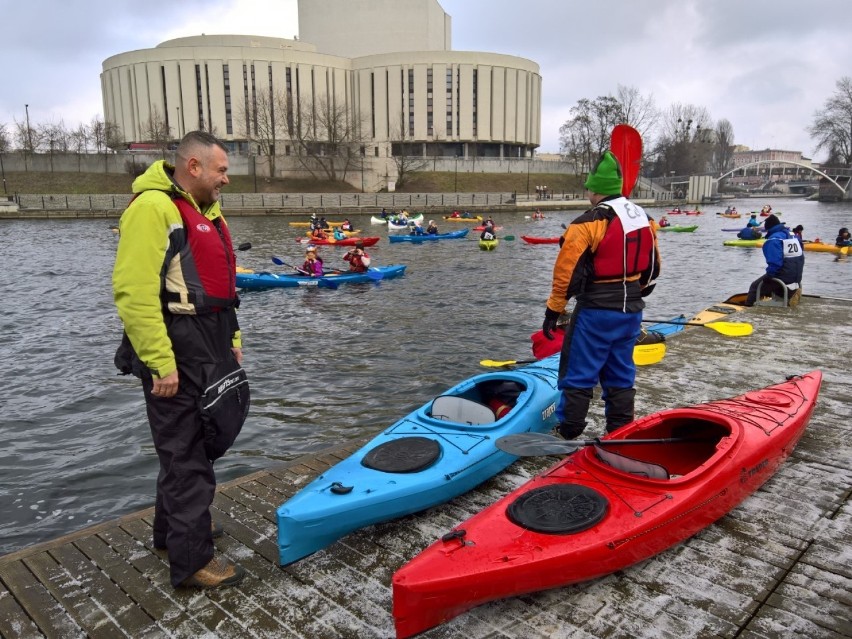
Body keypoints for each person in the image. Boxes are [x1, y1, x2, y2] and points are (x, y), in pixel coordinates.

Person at [112, 131, 248, 589]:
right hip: (175, 345)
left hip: (209, 341)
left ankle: (173, 533)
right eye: (221, 170)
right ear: (193, 166)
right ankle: (191, 562)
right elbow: (133, 293)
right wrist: (160, 362)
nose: (226, 179)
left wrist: (233, 336)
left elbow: (222, 289)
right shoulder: (154, 208)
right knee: (185, 451)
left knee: (199, 440)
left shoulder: (206, 212)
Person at [541, 150, 660, 440]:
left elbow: (565, 273)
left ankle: (569, 429)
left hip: (595, 311)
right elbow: (654, 266)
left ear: (595, 189)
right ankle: (619, 431)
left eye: (589, 188)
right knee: (620, 372)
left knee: (578, 370)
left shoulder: (586, 223)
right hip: (631, 310)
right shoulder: (645, 219)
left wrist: (553, 311)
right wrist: (633, 294)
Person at [744, 214, 804, 307]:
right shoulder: (793, 236)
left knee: (755, 286)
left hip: (783, 275)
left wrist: (769, 276)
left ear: (768, 228)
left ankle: (747, 308)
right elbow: (801, 252)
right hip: (797, 275)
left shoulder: (774, 240)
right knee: (772, 285)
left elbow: (775, 263)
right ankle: (789, 295)